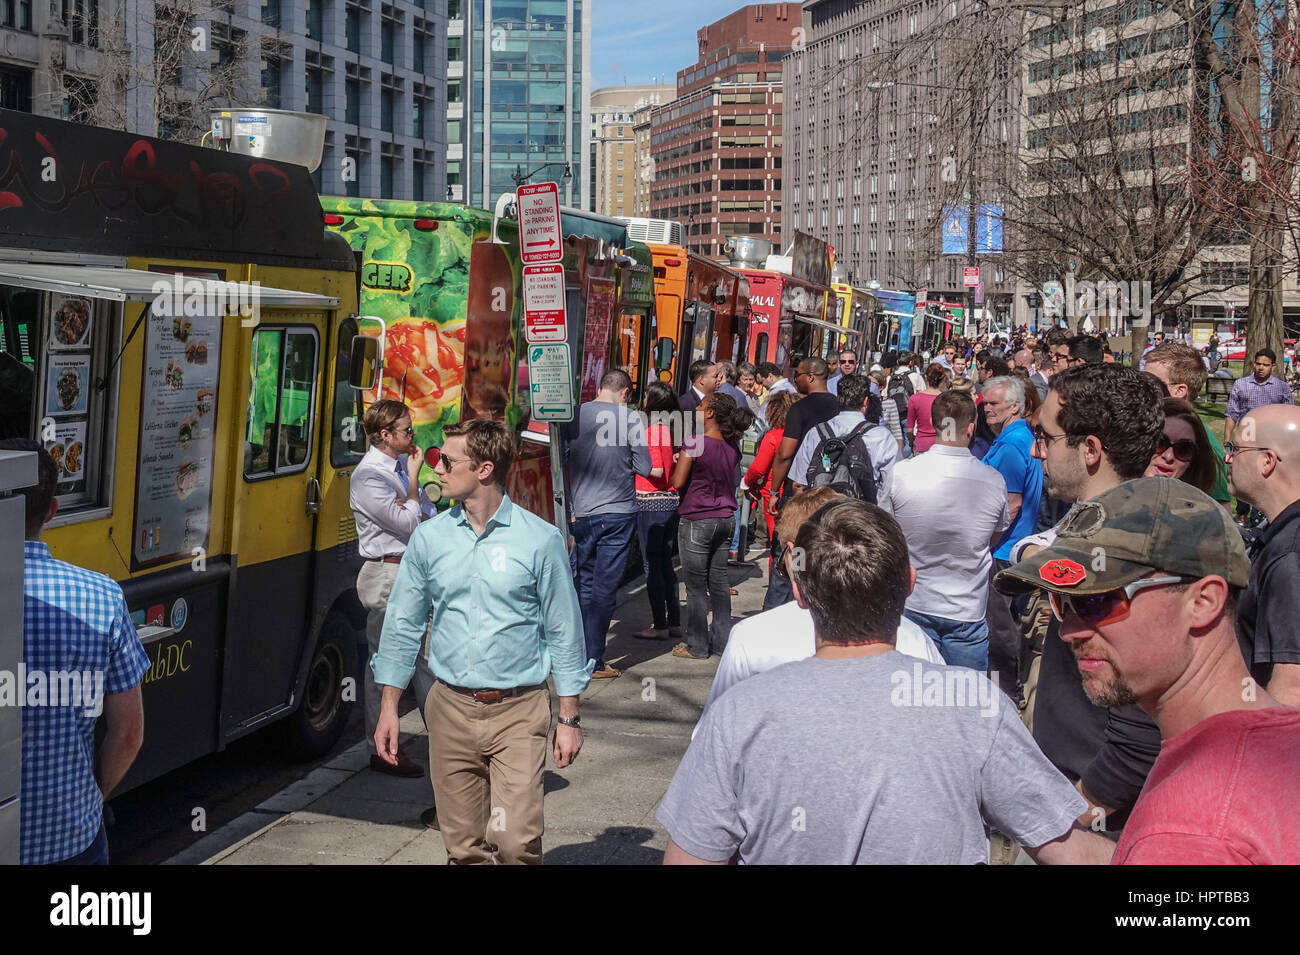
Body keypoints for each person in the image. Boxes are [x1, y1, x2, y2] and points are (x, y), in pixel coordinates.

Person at [657, 498, 1114, 865]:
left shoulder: (739, 714)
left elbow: (692, 854)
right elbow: (1069, 849)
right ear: (910, 583)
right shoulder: (973, 705)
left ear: (798, 592)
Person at [996, 477, 1299, 864]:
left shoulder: (1190, 830)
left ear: (1203, 602)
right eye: (1062, 602)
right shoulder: (1275, 741)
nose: (1070, 630)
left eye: (1099, 601)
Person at [372, 419, 590, 865]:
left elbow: (564, 631)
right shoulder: (430, 538)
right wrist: (389, 708)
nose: (437, 469)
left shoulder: (539, 539)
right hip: (449, 708)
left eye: (447, 461)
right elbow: (402, 626)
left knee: (515, 844)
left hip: (519, 711)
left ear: (485, 469)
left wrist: (569, 717)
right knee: (464, 848)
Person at [1017, 363, 1166, 834]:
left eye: (1046, 437)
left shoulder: (1129, 547)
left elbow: (1141, 732)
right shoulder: (1096, 522)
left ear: (1091, 450)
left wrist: (1074, 816)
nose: (1037, 451)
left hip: (1102, 818)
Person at [3, 439, 149, 865]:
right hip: (69, 840)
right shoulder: (102, 597)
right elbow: (128, 734)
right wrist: (88, 799)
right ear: (51, 512)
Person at [698, 487, 943, 725]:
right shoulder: (915, 639)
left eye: (784, 563)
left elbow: (714, 730)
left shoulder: (750, 638)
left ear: (796, 560)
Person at [883, 391, 1009, 670]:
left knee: (911, 698)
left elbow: (885, 532)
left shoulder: (902, 473)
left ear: (932, 421)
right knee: (964, 702)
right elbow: (994, 536)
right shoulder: (993, 480)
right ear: (972, 427)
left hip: (913, 604)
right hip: (967, 610)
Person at [349, 398, 435, 778]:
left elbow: (427, 512)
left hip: (413, 570)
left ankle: (446, 743)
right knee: (387, 663)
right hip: (388, 574)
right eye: (406, 430)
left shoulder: (398, 465)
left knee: (427, 657)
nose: (412, 434)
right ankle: (380, 747)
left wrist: (413, 495)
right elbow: (407, 524)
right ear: (385, 435)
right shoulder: (369, 476)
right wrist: (414, 483)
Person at [563, 369, 652, 679]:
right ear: (625, 392)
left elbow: (561, 456)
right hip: (618, 513)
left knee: (582, 583)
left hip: (582, 513)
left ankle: (574, 653)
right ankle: (594, 660)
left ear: (600, 387)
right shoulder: (631, 419)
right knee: (604, 589)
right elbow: (645, 466)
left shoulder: (573, 415)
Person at [671, 392, 755, 660]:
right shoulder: (732, 447)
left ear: (709, 413)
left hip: (697, 519)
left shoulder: (694, 443)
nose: (695, 408)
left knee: (695, 587)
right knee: (718, 582)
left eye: (700, 405)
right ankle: (720, 641)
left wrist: (679, 461)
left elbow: (678, 481)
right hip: (725, 519)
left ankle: (696, 646)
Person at [1227, 403, 1300, 706]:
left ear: (1267, 461)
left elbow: (1293, 688)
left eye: (1236, 449)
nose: (1227, 457)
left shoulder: (1289, 555)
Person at [981, 375, 1044, 700]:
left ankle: (1005, 693)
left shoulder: (1010, 445)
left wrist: (984, 543)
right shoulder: (1021, 436)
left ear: (1015, 406)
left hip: (1003, 549)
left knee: (999, 630)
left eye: (994, 403)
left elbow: (1011, 503)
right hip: (1013, 546)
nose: (987, 409)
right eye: (985, 403)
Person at [1141, 342, 1232, 506]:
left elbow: (1221, 509)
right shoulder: (1144, 426)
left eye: (1150, 382)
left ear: (1179, 391)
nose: (1141, 388)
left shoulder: (1206, 445)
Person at [789, 373, 899, 502]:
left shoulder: (816, 433)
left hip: (821, 514)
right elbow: (892, 486)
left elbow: (799, 484)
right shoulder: (881, 437)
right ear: (865, 402)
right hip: (861, 516)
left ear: (838, 399)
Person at [634, 381, 682, 642]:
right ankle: (673, 621)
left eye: (645, 396)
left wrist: (632, 465)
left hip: (650, 502)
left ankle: (659, 625)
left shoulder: (652, 432)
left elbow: (657, 471)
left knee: (651, 565)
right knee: (665, 563)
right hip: (669, 501)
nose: (642, 399)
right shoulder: (668, 430)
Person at [1224, 348, 1294, 524]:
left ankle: (1262, 514)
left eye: (1265, 365)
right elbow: (1232, 413)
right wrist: (1227, 440)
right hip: (1246, 438)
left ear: (1273, 367)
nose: (1261, 368)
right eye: (1258, 364)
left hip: (1271, 441)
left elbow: (1288, 414)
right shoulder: (1241, 384)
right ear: (1253, 364)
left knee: (1265, 477)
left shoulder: (1281, 387)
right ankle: (1241, 513)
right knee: (1243, 475)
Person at [743, 390, 799, 558]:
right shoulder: (802, 433)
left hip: (773, 494)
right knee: (797, 542)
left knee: (779, 544)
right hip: (797, 492)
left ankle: (778, 580)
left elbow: (758, 468)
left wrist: (747, 481)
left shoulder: (773, 436)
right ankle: (798, 578)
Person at [1145, 397, 1220, 496]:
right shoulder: (1117, 500)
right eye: (1160, 442)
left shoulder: (1202, 509)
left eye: (1183, 450)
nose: (1168, 456)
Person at [906, 363, 950, 454]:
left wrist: (911, 442)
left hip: (922, 445)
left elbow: (909, 430)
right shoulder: (947, 399)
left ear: (926, 377)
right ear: (942, 379)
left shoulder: (914, 399)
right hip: (942, 445)